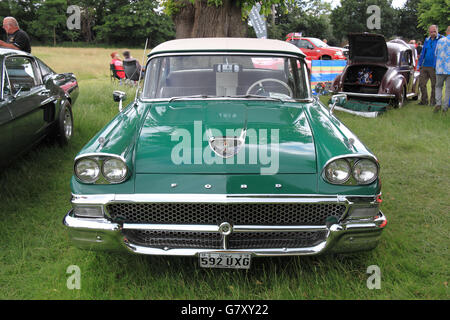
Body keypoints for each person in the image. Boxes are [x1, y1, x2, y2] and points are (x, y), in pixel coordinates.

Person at [417, 25, 443, 106]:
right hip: (425, 65)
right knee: (421, 84)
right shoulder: (427, 40)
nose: (432, 33)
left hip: (435, 66)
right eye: (431, 32)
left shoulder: (442, 39)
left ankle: (433, 102)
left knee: (434, 85)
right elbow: (423, 53)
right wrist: (419, 64)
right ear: (429, 32)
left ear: (437, 31)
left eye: (434, 31)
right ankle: (424, 101)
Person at [433, 26, 450, 114]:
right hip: (449, 70)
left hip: (440, 68)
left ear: (447, 32)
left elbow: (435, 53)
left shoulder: (440, 41)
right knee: (448, 89)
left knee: (438, 86)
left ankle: (438, 103)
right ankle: (445, 107)